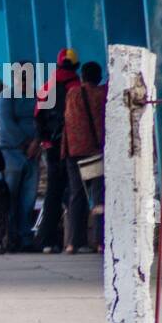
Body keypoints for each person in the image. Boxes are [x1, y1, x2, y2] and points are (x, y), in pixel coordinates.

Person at [36, 48, 81, 252]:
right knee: (75, 192)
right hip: (72, 146)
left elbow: (38, 117)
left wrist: (45, 141)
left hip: (52, 147)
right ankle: (74, 240)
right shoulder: (77, 87)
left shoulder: (47, 86)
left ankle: (47, 239)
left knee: (53, 193)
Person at [0, 61, 41, 251]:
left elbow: (42, 120)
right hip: (11, 153)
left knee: (28, 198)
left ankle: (25, 237)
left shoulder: (37, 97)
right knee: (11, 197)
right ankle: (10, 236)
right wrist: (25, 143)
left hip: (33, 154)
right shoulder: (5, 98)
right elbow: (6, 124)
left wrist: (36, 142)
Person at [63, 61, 106, 253]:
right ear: (98, 77)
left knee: (77, 195)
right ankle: (99, 241)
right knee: (98, 196)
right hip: (93, 152)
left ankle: (73, 242)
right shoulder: (101, 95)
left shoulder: (72, 93)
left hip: (73, 151)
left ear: (82, 77)